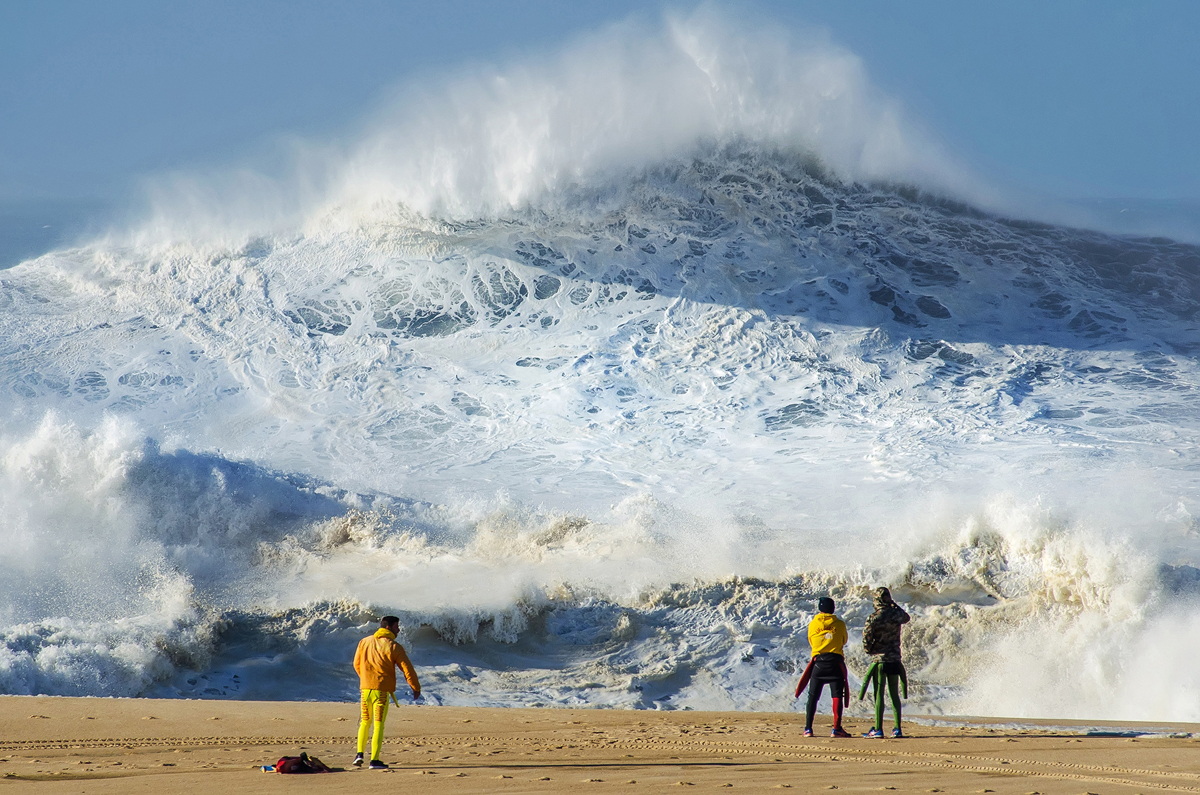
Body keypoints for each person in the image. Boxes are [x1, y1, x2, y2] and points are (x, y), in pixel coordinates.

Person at [353, 615, 421, 769]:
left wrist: (366, 679)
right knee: (378, 725)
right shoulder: (393, 646)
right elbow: (407, 669)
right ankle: (374, 760)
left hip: (365, 689)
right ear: (389, 627)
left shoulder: (364, 642)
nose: (399, 630)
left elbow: (356, 664)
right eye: (397, 627)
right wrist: (415, 687)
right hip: (381, 692)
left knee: (365, 722)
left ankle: (359, 754)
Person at [795, 596, 851, 737]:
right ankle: (836, 729)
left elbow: (811, 641)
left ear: (820, 608)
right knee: (837, 696)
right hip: (835, 663)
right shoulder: (840, 624)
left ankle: (808, 728)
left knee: (812, 697)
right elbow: (844, 640)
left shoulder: (813, 624)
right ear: (833, 608)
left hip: (818, 664)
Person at [860, 587, 910, 738]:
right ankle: (897, 729)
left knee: (879, 695)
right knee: (894, 695)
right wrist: (893, 604)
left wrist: (870, 651)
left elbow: (866, 639)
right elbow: (906, 617)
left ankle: (878, 729)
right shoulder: (896, 615)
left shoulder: (874, 617)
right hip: (894, 660)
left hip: (880, 661)